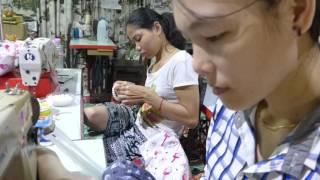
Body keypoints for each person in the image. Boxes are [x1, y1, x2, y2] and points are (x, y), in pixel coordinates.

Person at [102, 0, 320, 179]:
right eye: (192, 41)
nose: (197, 64)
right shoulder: (230, 109)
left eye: (215, 35)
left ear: (296, 12)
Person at [84, 7, 199, 179]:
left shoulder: (181, 61)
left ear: (157, 28)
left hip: (154, 137)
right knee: (89, 114)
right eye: (133, 42)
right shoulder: (154, 62)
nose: (137, 47)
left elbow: (191, 118)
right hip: (137, 118)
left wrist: (147, 96)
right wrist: (128, 91)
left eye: (139, 39)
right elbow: (152, 96)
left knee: (92, 160)